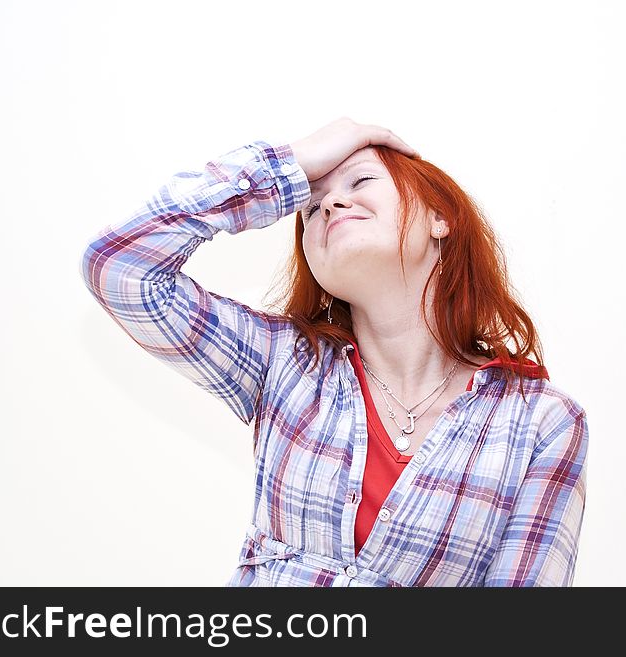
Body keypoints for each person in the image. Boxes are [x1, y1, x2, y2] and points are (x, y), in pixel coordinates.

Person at [80, 117, 589, 586]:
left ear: (440, 217)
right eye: (309, 204)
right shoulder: (282, 362)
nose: (328, 205)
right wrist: (292, 163)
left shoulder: (542, 423)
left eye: (361, 182)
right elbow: (121, 267)